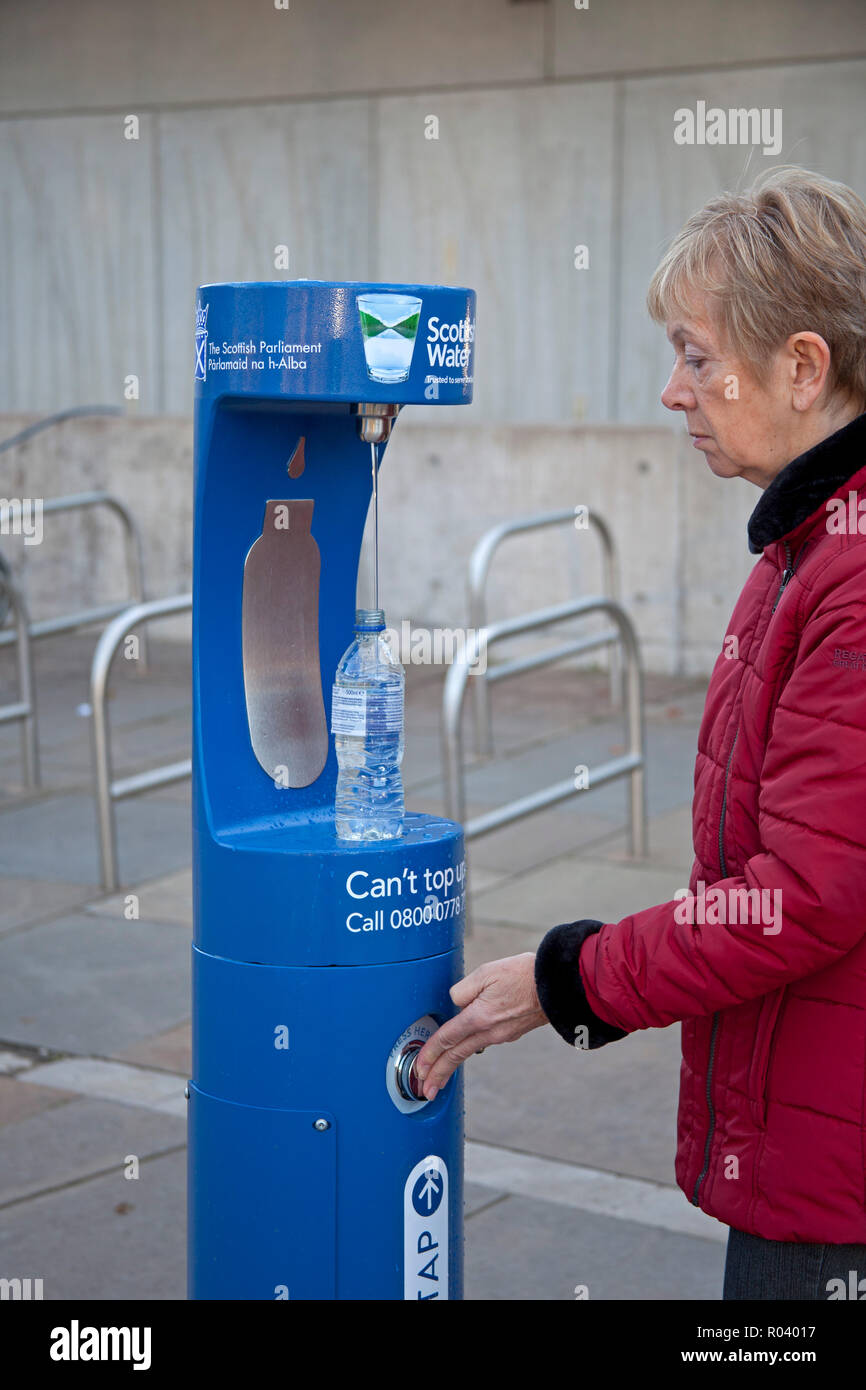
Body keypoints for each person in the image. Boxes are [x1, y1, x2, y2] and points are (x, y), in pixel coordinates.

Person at [414, 166, 866, 1301]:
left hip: (835, 1189)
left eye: (697, 356)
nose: (672, 391)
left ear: (802, 367)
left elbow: (802, 892)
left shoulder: (848, 572)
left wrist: (566, 982)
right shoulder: (807, 547)